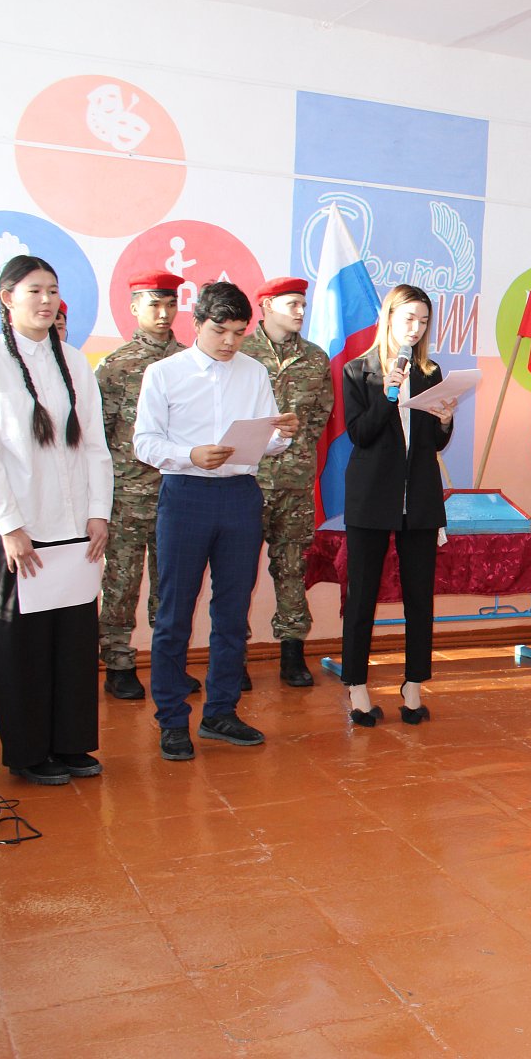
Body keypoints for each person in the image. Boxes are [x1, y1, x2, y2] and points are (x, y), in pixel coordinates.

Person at [0, 256, 112, 786]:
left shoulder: (73, 361)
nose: (46, 300)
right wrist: (8, 525)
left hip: (73, 528)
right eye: (34, 291)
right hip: (16, 531)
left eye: (52, 290)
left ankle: (70, 743)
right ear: (7, 298)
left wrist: (98, 512)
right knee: (20, 646)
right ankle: (28, 753)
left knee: (72, 640)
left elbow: (95, 444)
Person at [135, 282, 298, 761]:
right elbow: (144, 442)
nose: (229, 341)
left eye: (239, 332)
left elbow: (267, 441)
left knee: (231, 611)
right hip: (184, 494)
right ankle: (171, 719)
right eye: (219, 330)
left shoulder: (254, 371)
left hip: (240, 495)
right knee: (174, 613)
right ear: (196, 324)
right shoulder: (164, 373)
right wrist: (189, 454)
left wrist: (281, 435)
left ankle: (221, 712)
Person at [338, 284, 457, 725]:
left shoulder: (430, 371)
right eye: (409, 318)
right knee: (362, 596)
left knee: (419, 597)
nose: (416, 328)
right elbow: (361, 434)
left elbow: (434, 443)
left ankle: (413, 685)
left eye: (424, 321)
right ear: (388, 318)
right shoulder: (358, 370)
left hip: (419, 497)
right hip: (371, 496)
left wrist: (445, 420)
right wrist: (387, 395)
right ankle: (357, 687)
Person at [96, 271, 198, 701]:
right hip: (127, 497)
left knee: (172, 583)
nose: (163, 314)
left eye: (171, 304)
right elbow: (97, 438)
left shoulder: (192, 363)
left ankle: (168, 663)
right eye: (154, 305)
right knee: (121, 582)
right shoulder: (115, 367)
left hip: (178, 492)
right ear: (135, 307)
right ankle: (118, 663)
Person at [241, 276, 334, 687]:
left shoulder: (315, 358)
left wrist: (296, 449)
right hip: (246, 479)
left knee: (293, 567)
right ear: (266, 306)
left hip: (295, 483)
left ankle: (292, 653)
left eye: (303, 304)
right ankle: (233, 656)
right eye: (292, 304)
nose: (300, 311)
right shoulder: (240, 352)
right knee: (238, 570)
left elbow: (320, 416)